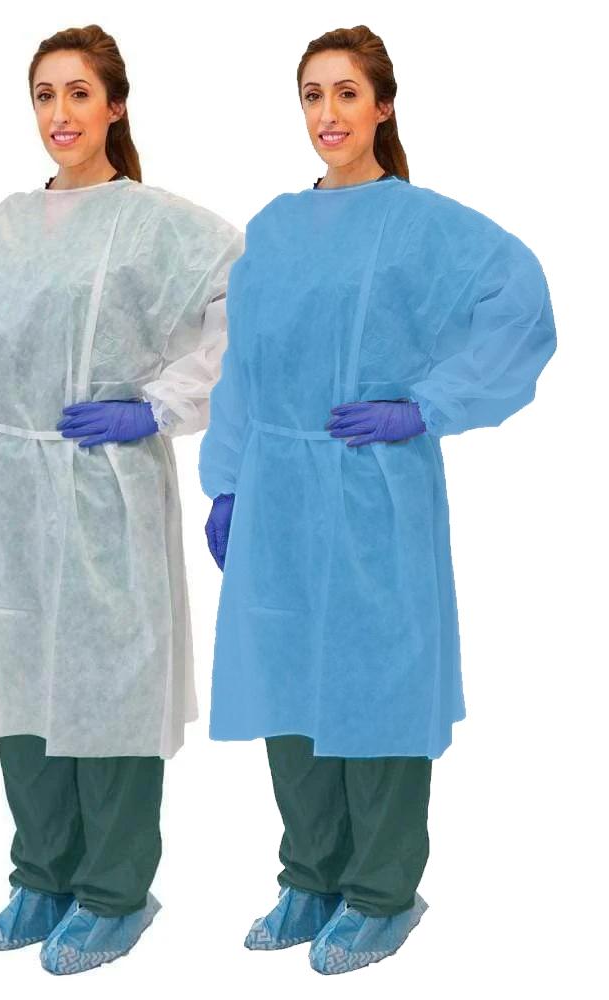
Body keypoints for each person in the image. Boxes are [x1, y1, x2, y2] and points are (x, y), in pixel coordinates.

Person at [199, 24, 556, 975]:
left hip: (371, 490)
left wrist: (427, 405)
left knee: (377, 687)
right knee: (287, 685)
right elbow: (243, 364)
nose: (328, 114)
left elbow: (520, 299)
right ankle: (310, 876)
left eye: (347, 94)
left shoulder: (419, 223)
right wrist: (227, 479)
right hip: (278, 488)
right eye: (312, 95)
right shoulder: (274, 227)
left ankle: (381, 891)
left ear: (382, 105)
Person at [0, 24, 242, 975]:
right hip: (12, 491)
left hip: (105, 492)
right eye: (44, 95)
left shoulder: (155, 223)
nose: (60, 114)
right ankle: (42, 876)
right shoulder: (4, 227)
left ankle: (113, 893)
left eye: (78, 93)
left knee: (111, 693)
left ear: (115, 106)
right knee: (19, 686)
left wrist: (158, 406)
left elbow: (244, 306)